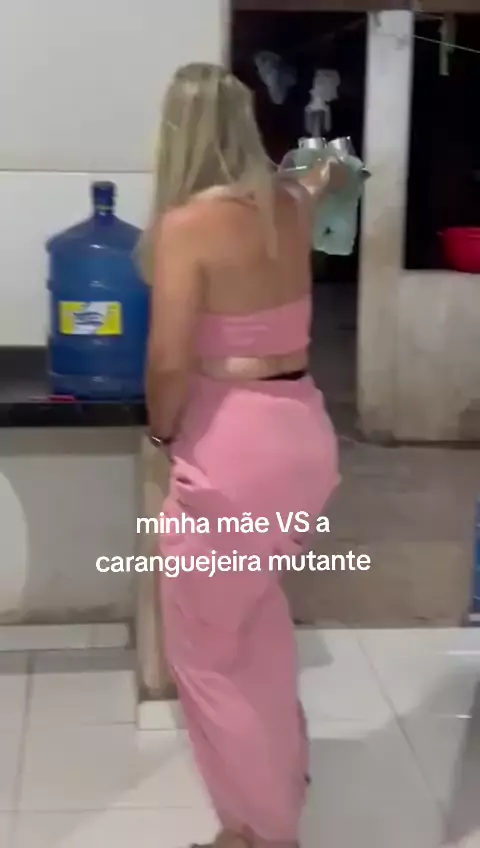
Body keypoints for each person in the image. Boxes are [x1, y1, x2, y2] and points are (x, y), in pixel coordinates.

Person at [137, 63, 341, 848]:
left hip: (232, 452)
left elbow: (167, 364)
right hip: (302, 435)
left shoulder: (187, 225)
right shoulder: (289, 204)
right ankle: (279, 786)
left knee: (207, 654)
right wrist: (325, 171)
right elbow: (318, 183)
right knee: (256, 628)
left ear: (177, 136)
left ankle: (260, 829)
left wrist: (162, 435)